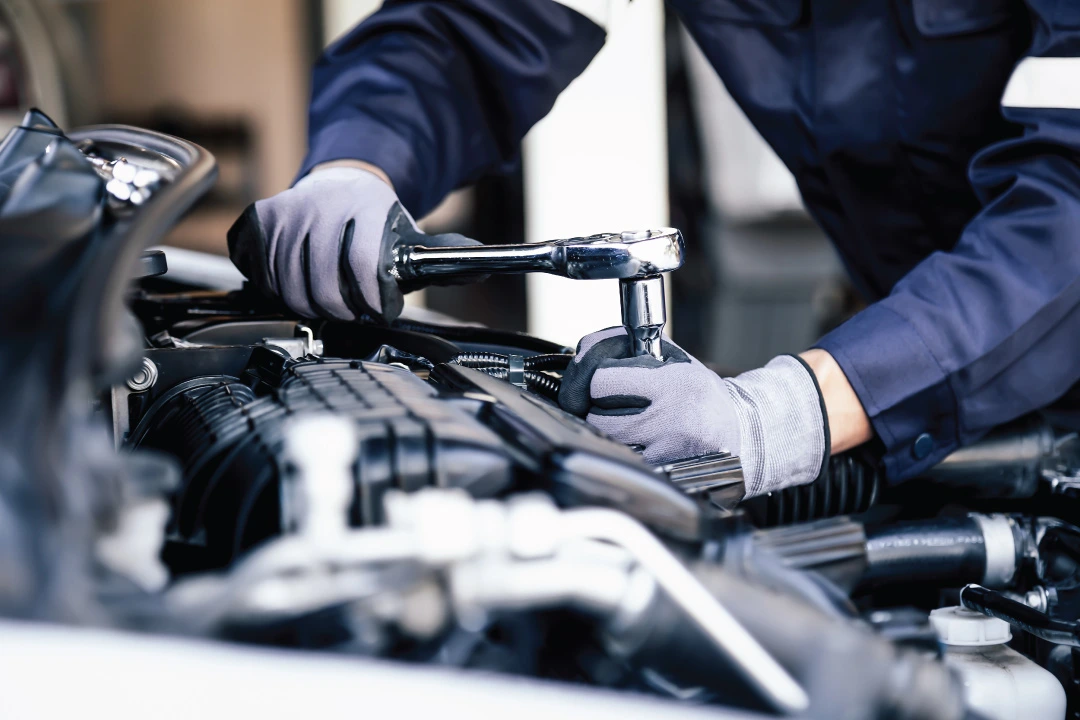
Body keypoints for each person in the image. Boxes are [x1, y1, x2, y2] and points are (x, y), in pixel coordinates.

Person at [228, 0, 1080, 499]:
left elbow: (1070, 214)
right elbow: (471, 29)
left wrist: (797, 409)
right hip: (926, 374)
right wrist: (358, 159)